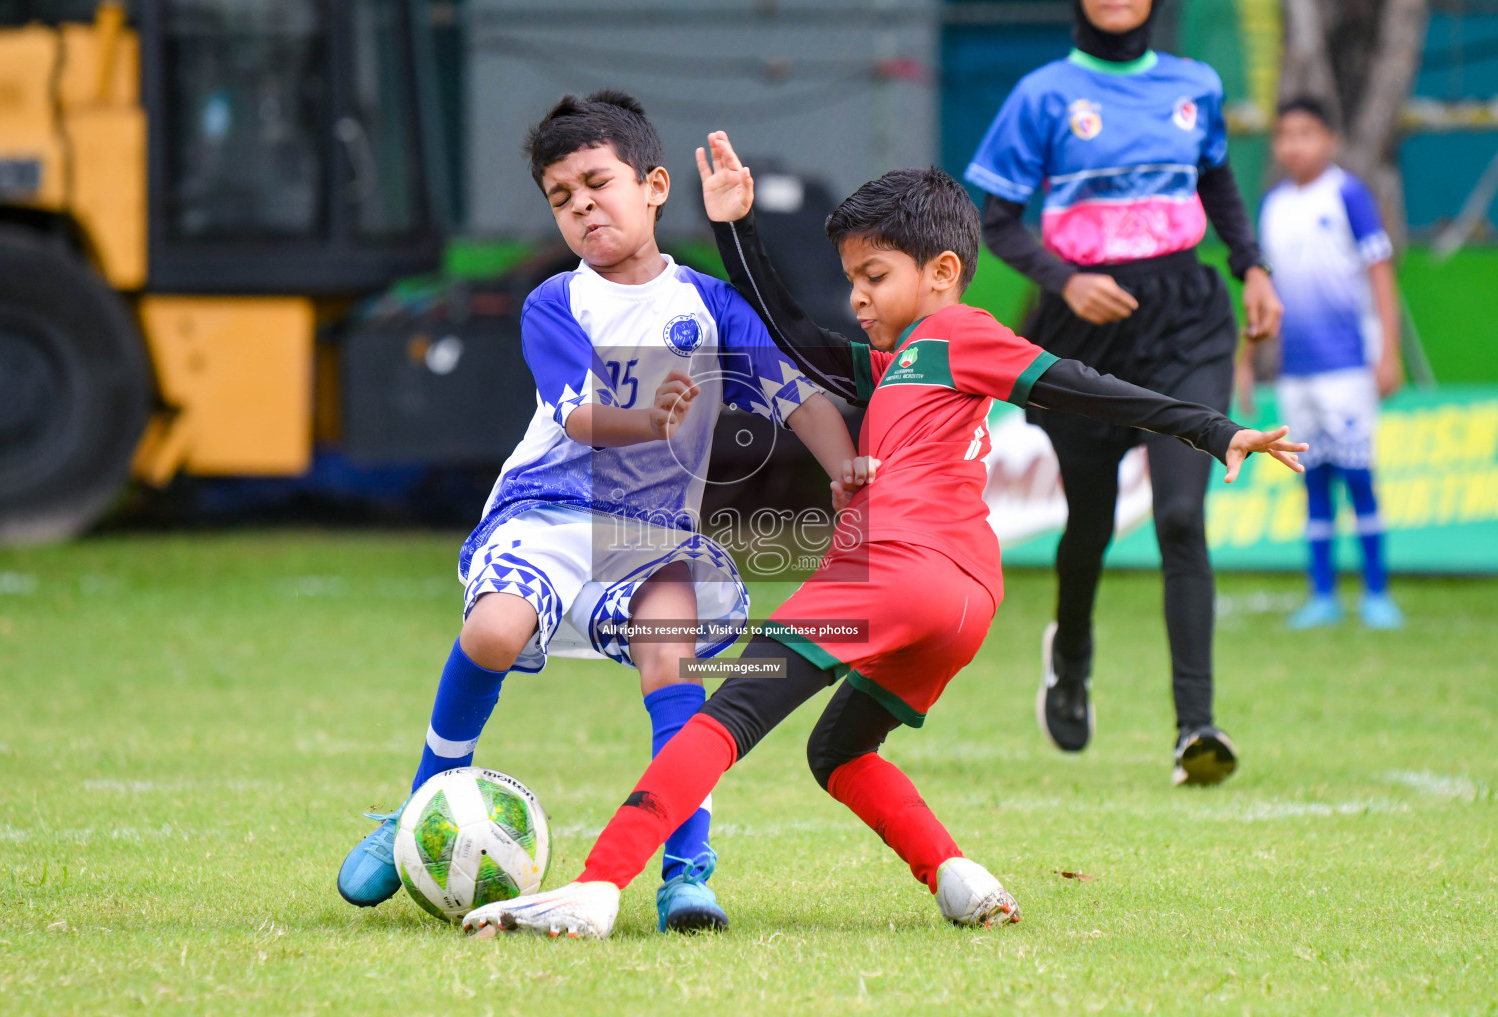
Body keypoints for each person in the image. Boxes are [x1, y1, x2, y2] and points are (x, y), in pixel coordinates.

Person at [458, 135, 1306, 939]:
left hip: (892, 580)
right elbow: (795, 335)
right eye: (851, 278)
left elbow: (1079, 384)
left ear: (943, 274)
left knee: (723, 712)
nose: (857, 296)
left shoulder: (958, 333)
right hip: (965, 603)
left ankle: (600, 886)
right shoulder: (905, 358)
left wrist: (1210, 429)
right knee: (838, 750)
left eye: (873, 276)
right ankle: (955, 876)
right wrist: (735, 226)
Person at [334, 93, 856, 933]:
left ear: (653, 186)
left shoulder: (713, 305)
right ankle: (416, 809)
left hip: (652, 539)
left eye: (596, 183)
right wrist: (652, 415)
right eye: (560, 196)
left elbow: (798, 398)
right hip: (546, 513)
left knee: (671, 654)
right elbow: (580, 414)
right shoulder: (553, 302)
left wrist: (845, 469)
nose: (580, 205)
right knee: (494, 634)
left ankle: (686, 873)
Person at [965, 0, 1285, 784]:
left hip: (1187, 320)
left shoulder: (1196, 84)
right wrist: (1064, 281)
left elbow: (1218, 184)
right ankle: (1070, 658)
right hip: (1084, 331)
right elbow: (998, 220)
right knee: (1092, 525)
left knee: (1181, 516)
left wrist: (1251, 266)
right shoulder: (1042, 93)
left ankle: (1196, 730)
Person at [1249, 96, 1404, 630]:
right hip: (1296, 369)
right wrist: (1247, 363)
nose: (1295, 145)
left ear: (1330, 139)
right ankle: (1322, 594)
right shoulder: (1271, 205)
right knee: (1311, 479)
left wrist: (1389, 350)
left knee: (1357, 475)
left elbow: (1380, 272)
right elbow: (1261, 289)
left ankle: (1377, 593)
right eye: (1285, 135)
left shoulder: (1348, 194)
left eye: (1307, 134)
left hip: (1348, 365)